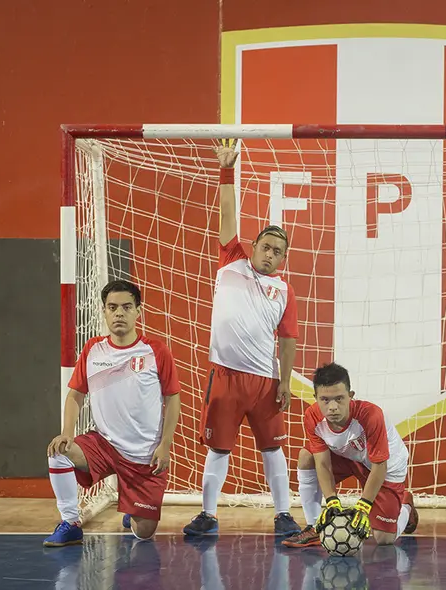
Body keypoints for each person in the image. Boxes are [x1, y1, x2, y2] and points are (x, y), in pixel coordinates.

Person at [183, 139, 302, 537]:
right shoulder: (231, 262)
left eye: (278, 252)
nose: (270, 254)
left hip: (264, 382)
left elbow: (287, 341)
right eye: (266, 246)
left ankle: (284, 514)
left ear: (284, 260)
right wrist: (226, 170)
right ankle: (208, 515)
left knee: (274, 449)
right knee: (218, 449)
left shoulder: (284, 291)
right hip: (226, 377)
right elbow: (227, 213)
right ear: (253, 247)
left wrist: (284, 380)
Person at [44, 279, 181, 547]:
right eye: (113, 307)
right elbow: (75, 395)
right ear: (104, 311)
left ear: (138, 311)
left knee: (144, 534)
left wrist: (165, 445)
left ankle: (133, 508)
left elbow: (173, 399)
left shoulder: (156, 351)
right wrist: (66, 433)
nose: (119, 313)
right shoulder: (93, 350)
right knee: (58, 451)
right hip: (103, 445)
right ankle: (71, 522)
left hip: (143, 456)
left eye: (127, 307)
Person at [281, 363, 419, 548]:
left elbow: (380, 465)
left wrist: (364, 506)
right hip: (349, 456)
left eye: (339, 399)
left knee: (384, 539)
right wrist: (331, 501)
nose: (333, 407)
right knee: (306, 456)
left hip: (385, 467)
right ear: (315, 398)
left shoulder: (371, 415)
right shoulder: (312, 417)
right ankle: (314, 526)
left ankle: (406, 506)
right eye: (325, 400)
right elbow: (322, 463)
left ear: (351, 396)